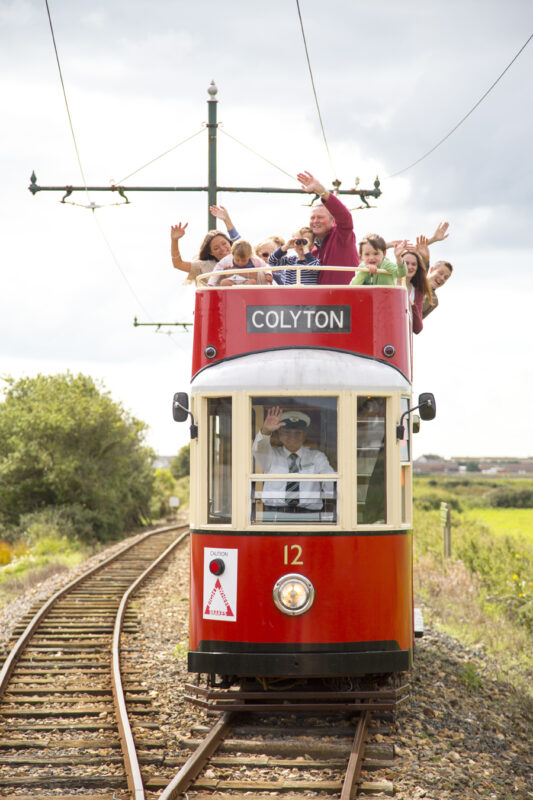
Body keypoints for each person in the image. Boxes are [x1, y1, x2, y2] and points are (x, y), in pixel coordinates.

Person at [252, 406, 335, 514]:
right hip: (274, 515)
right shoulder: (271, 455)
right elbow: (258, 448)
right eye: (287, 432)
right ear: (279, 434)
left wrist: (333, 493)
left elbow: (330, 481)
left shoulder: (317, 457)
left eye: (298, 433)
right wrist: (266, 431)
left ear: (305, 435)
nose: (292, 436)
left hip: (310, 516)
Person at [297, 171, 358, 284]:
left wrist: (321, 190)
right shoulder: (311, 249)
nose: (315, 221)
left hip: (345, 299)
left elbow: (345, 216)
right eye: (312, 218)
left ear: (333, 221)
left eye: (320, 217)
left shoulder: (342, 236)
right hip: (321, 300)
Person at [170, 205, 240, 282]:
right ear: (211, 252)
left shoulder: (242, 258)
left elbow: (240, 244)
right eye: (216, 248)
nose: (222, 249)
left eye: (224, 244)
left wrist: (226, 219)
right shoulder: (205, 266)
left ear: (230, 243)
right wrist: (174, 240)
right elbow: (178, 264)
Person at [402, 246, 432, 334]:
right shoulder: (390, 283)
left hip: (403, 337)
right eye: (406, 263)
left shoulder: (417, 291)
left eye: (413, 264)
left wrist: (411, 303)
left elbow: (417, 328)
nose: (409, 267)